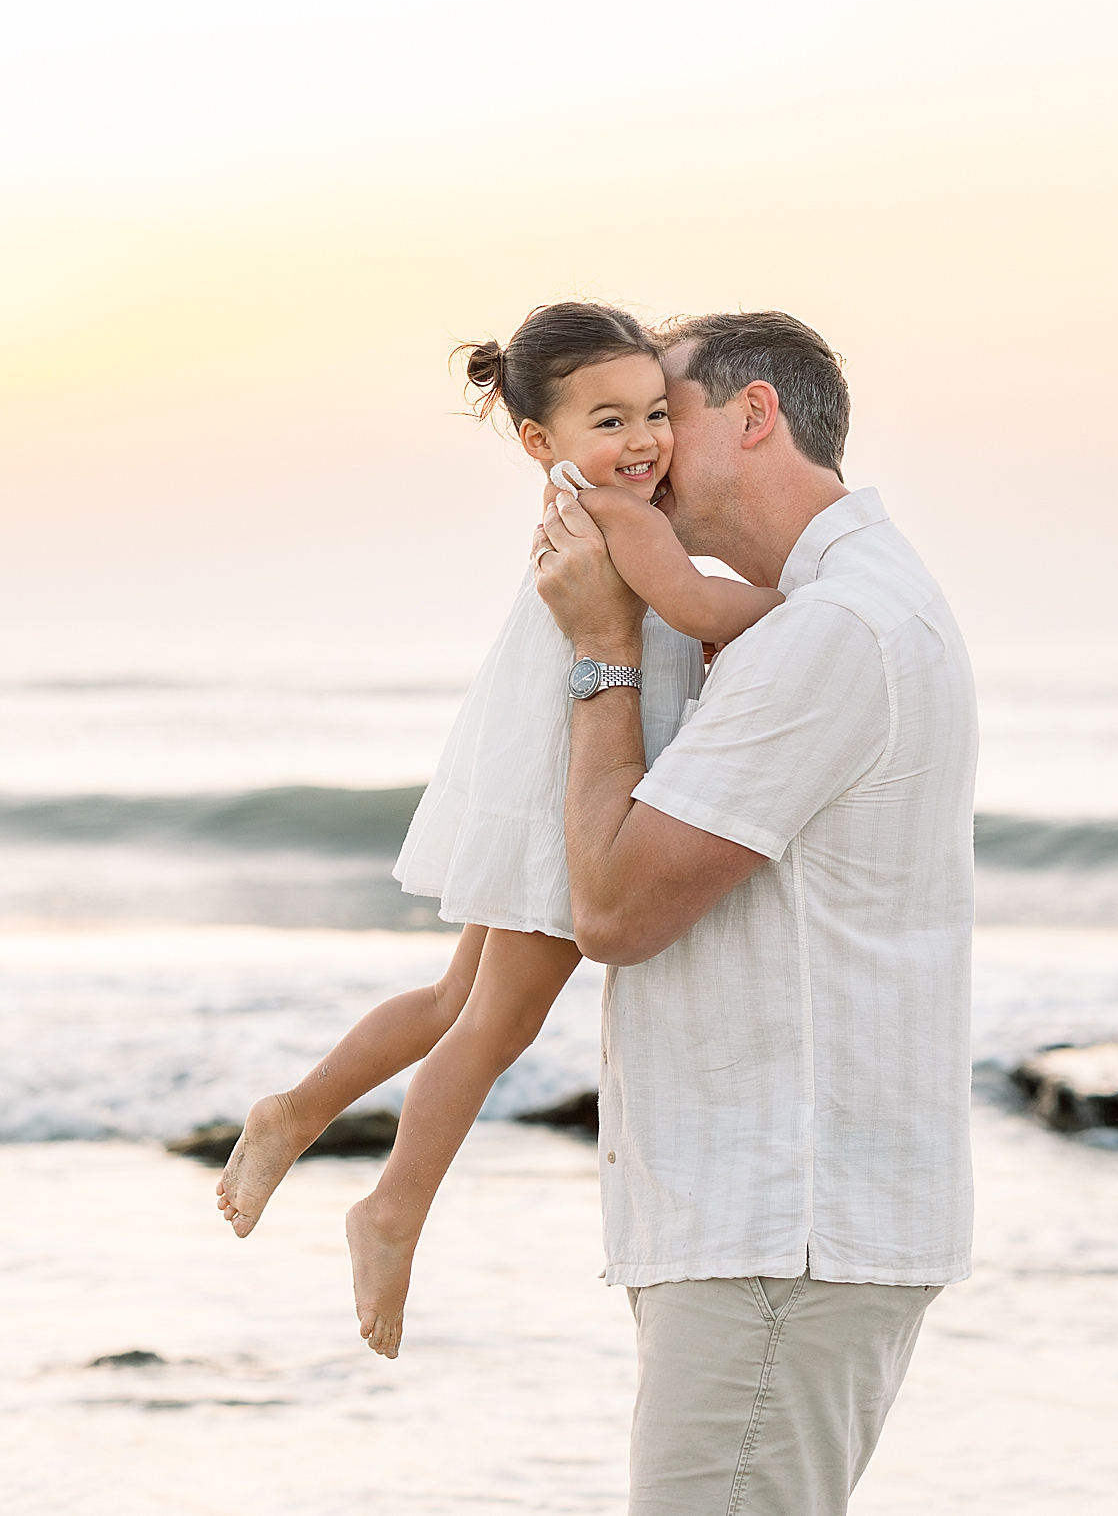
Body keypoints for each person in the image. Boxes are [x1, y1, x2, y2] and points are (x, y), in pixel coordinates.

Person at [213, 302, 783, 1360]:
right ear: (540, 441)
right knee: (494, 1025)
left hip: (533, 766)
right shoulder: (624, 517)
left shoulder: (589, 500)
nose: (644, 440)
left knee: (451, 1000)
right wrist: (809, 601)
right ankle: (391, 1208)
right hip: (572, 780)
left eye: (655, 412)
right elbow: (700, 614)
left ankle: (293, 1111)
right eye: (607, 421)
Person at [534, 311, 977, 1515]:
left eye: (663, 412)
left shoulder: (830, 630)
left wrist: (600, 653)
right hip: (774, 1217)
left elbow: (616, 908)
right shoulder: (821, 611)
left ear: (755, 413)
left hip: (779, 1223)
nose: (645, 452)